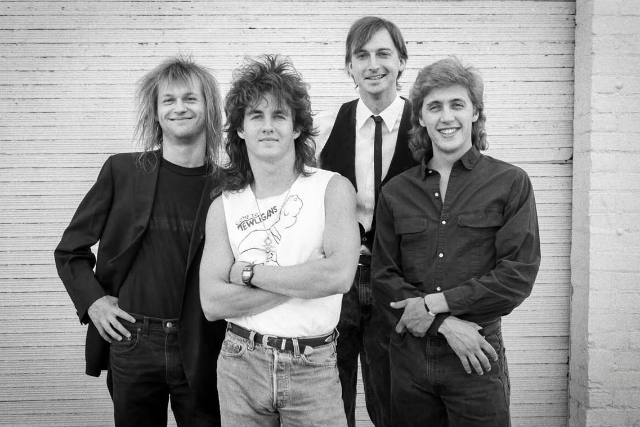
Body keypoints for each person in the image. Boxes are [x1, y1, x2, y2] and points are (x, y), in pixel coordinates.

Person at [54, 55, 227, 427]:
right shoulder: (123, 171)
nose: (179, 107)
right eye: (169, 100)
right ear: (156, 111)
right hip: (132, 340)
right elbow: (70, 250)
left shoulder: (230, 186)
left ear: (209, 108)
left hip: (204, 344)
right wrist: (94, 302)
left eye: (190, 98)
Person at [371, 56, 541, 426]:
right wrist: (444, 323)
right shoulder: (396, 192)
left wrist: (434, 304)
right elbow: (383, 277)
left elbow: (517, 276)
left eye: (457, 104)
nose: (446, 117)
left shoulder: (510, 183)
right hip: (409, 359)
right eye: (434, 107)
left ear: (475, 112)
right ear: (420, 117)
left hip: (476, 356)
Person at [199, 54, 360, 427]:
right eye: (256, 116)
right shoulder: (224, 206)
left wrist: (249, 274)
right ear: (240, 129)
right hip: (241, 363)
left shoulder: (332, 188)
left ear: (297, 127)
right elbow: (212, 302)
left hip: (312, 366)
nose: (268, 126)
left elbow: (339, 276)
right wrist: (307, 278)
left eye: (280, 116)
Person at [315, 16, 417, 427]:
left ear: (401, 61)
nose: (373, 64)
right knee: (331, 403)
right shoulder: (324, 127)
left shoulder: (425, 128)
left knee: (393, 403)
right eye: (362, 56)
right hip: (338, 283)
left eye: (383, 53)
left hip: (398, 281)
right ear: (349, 67)